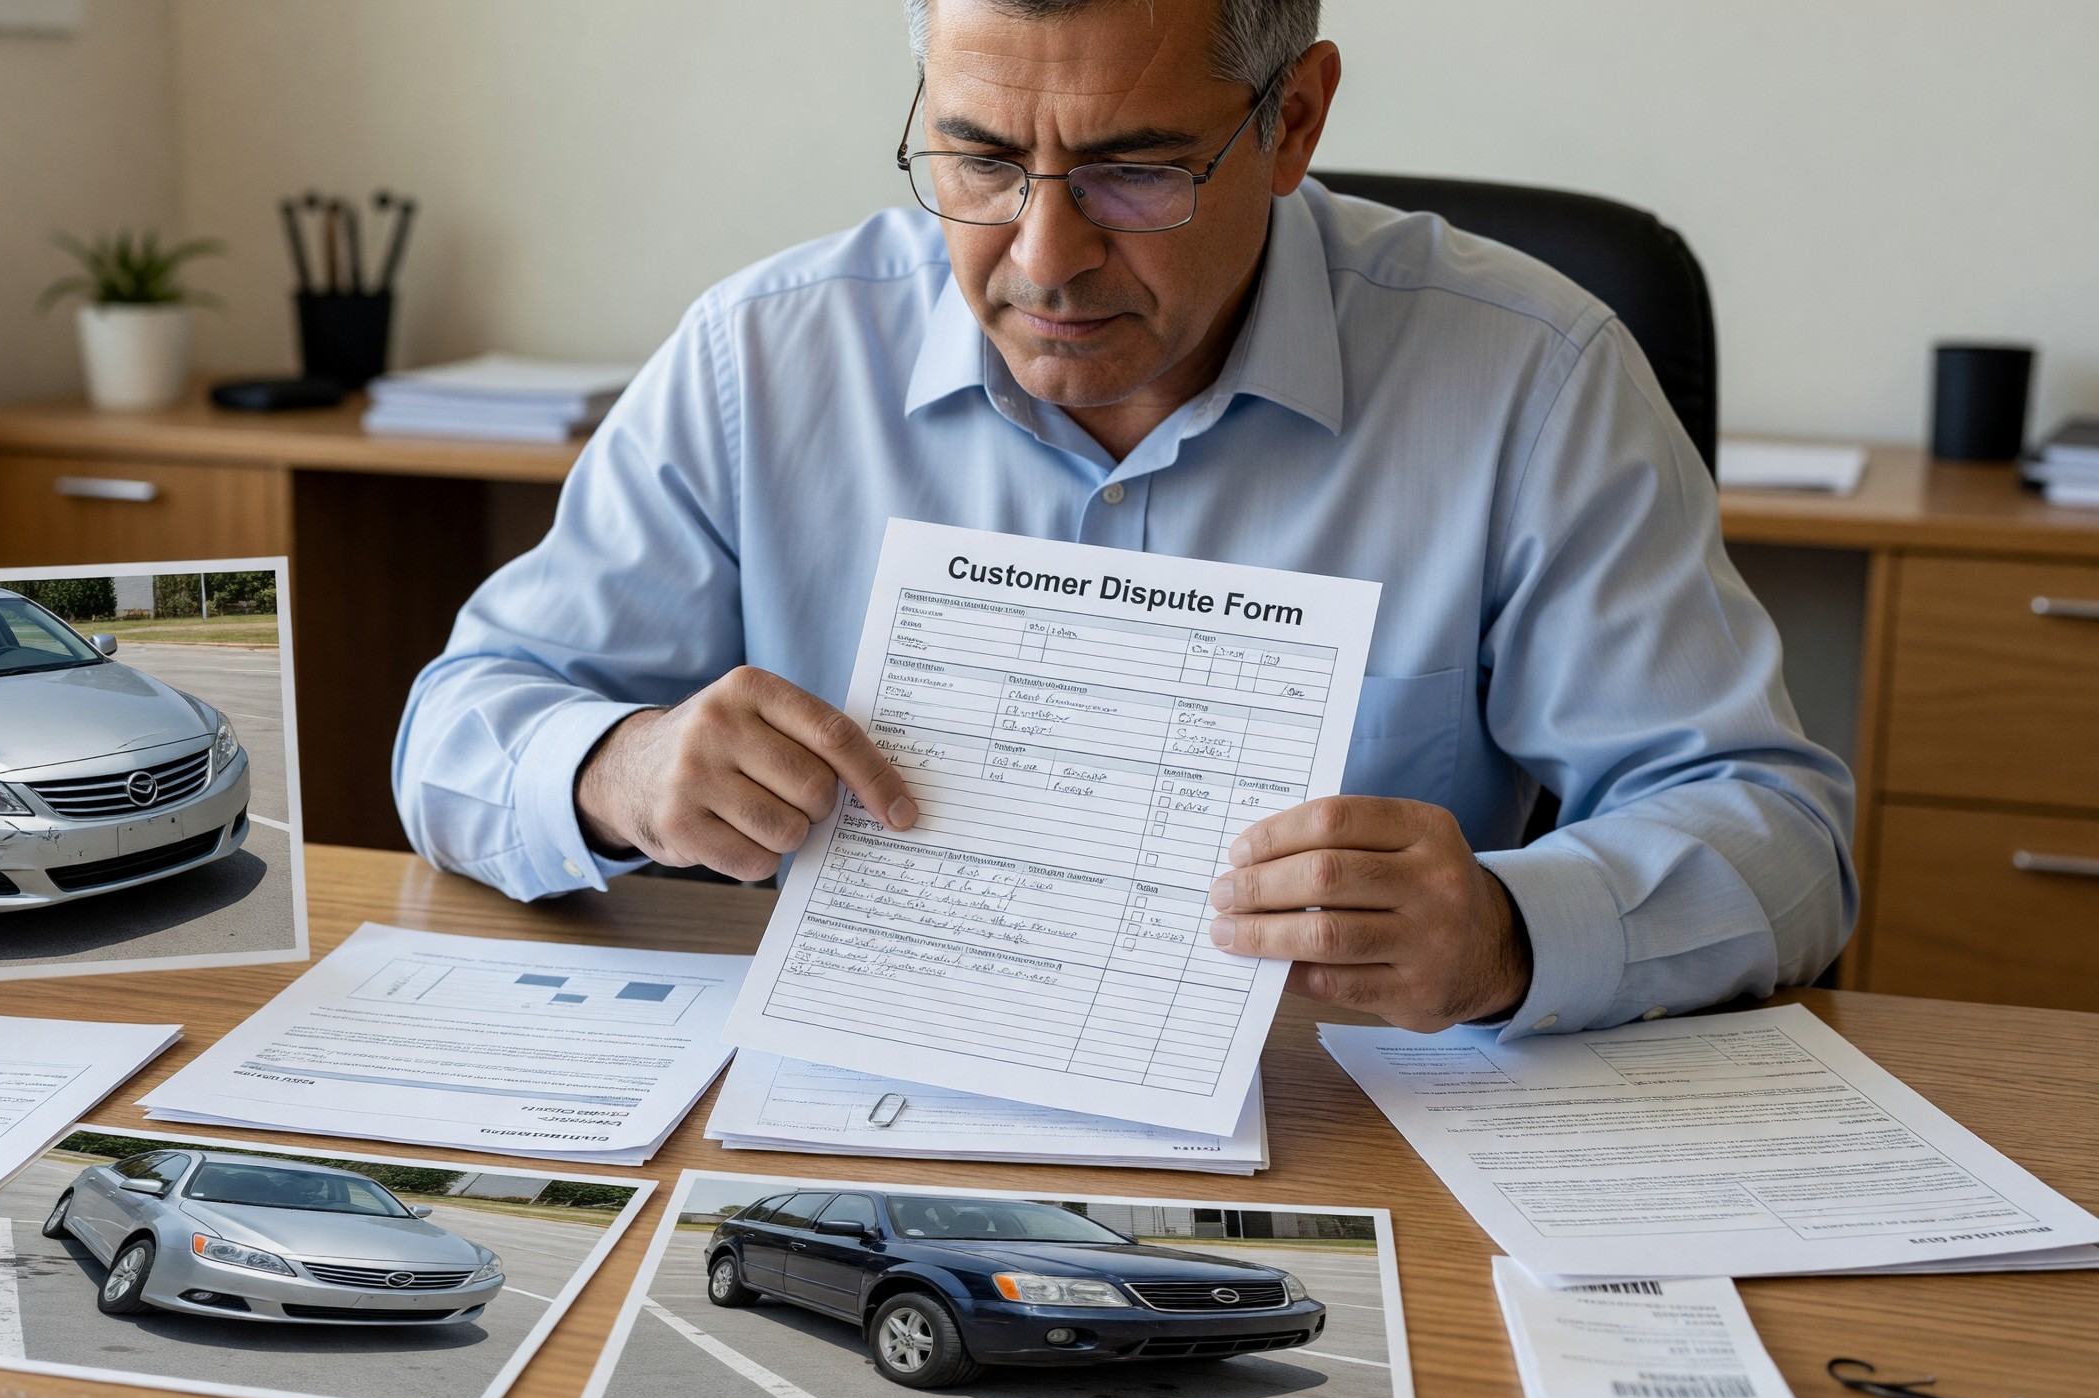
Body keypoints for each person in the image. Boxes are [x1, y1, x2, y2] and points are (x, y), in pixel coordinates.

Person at [392, 0, 1854, 1039]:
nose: (1043, 257)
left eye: (1134, 170)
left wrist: (1509, 932)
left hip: (1343, 1138)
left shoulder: (1532, 377)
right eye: (977, 159)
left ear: (1295, 120)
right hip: (858, 1097)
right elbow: (455, 730)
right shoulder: (759, 359)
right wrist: (622, 769)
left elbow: (1782, 833)